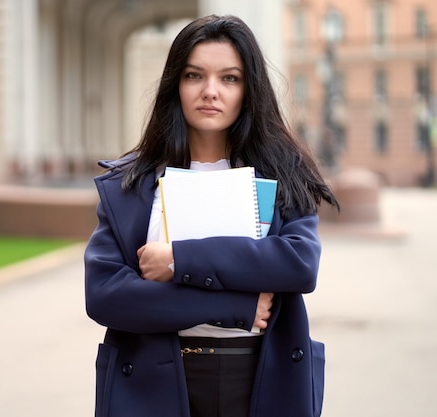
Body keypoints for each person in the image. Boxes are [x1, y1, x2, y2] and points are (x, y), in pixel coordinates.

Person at [84, 14, 339, 417]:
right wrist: (233, 308)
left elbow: (298, 264)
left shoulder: (282, 174)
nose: (210, 91)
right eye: (194, 75)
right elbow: (106, 297)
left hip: (258, 382)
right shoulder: (130, 184)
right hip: (155, 385)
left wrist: (178, 260)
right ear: (176, 85)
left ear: (248, 89)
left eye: (229, 78)